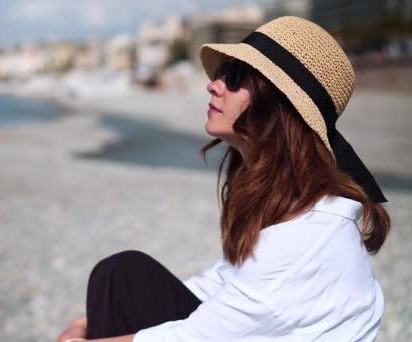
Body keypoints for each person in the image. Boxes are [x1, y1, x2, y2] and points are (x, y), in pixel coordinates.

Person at [56, 16, 391, 342]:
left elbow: (196, 336)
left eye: (234, 76)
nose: (213, 84)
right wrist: (87, 322)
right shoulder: (290, 201)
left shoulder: (308, 235)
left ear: (276, 104)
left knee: (120, 276)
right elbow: (221, 283)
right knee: (124, 275)